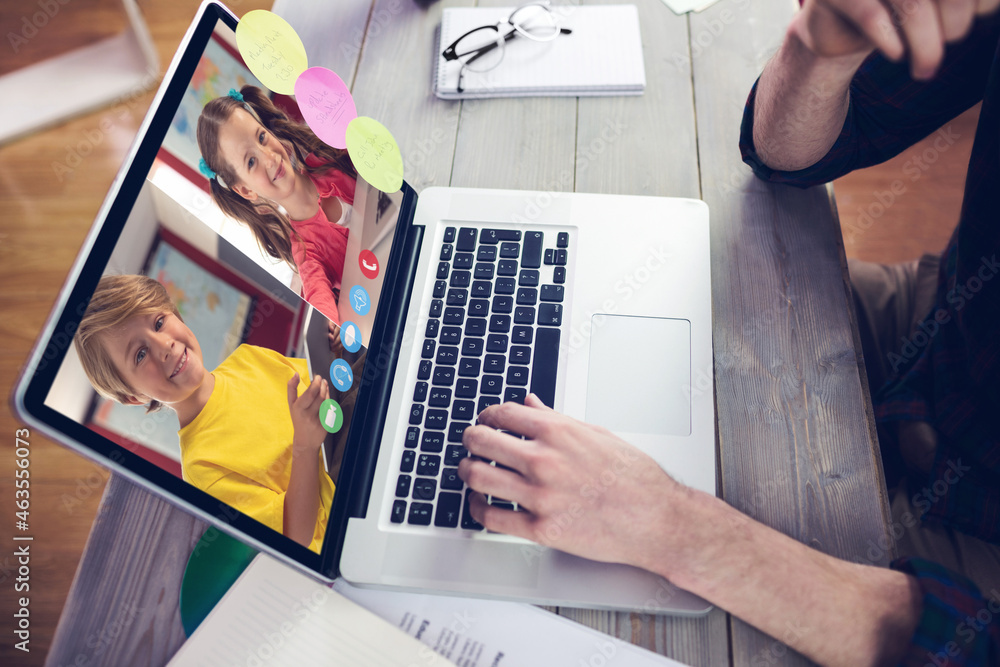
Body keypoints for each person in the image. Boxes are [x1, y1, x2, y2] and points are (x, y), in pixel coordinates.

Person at [457, 1, 1000, 664]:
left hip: (974, 552)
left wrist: (674, 527)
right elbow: (785, 151)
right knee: (619, 296)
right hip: (939, 333)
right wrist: (822, 47)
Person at [74, 274, 335, 552]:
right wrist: (305, 448)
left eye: (159, 323)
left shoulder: (248, 358)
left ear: (176, 314)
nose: (164, 347)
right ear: (133, 396)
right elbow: (294, 535)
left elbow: (327, 392)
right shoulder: (201, 468)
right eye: (139, 354)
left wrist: (334, 354)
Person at [197, 85, 358, 324]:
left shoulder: (328, 154)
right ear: (246, 190)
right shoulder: (304, 250)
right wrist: (330, 325)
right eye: (251, 161)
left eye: (261, 137)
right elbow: (319, 300)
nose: (270, 158)